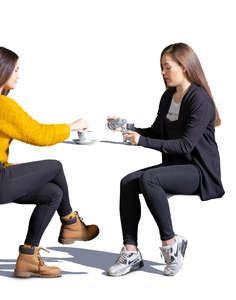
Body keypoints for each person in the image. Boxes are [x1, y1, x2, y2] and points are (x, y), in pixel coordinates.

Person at [0, 46, 99, 278]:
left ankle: (28, 257)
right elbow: (39, 134)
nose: (18, 75)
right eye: (15, 69)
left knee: (53, 193)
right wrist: (74, 126)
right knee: (55, 166)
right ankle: (72, 224)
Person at [106, 43, 225, 277]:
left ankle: (171, 246)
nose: (162, 72)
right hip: (174, 167)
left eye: (167, 67)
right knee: (127, 183)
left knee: (149, 179)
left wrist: (141, 141)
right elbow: (157, 132)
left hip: (198, 171)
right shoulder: (168, 96)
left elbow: (185, 145)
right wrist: (127, 128)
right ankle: (131, 251)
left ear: (185, 67)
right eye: (161, 67)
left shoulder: (200, 100)